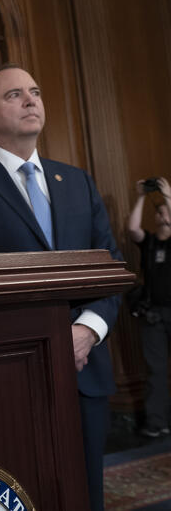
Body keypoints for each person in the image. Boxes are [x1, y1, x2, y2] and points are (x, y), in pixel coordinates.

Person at [0, 64, 122, 511]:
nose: (30, 100)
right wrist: (42, 342)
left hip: (84, 369)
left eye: (35, 92)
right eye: (14, 94)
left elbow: (112, 268)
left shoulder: (77, 181)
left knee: (87, 495)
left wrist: (86, 331)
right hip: (11, 375)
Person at [127, 176, 171, 438]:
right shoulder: (151, 242)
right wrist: (142, 196)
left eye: (166, 210)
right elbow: (133, 229)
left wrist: (168, 195)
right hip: (153, 314)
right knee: (156, 370)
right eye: (160, 211)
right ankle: (157, 422)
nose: (163, 214)